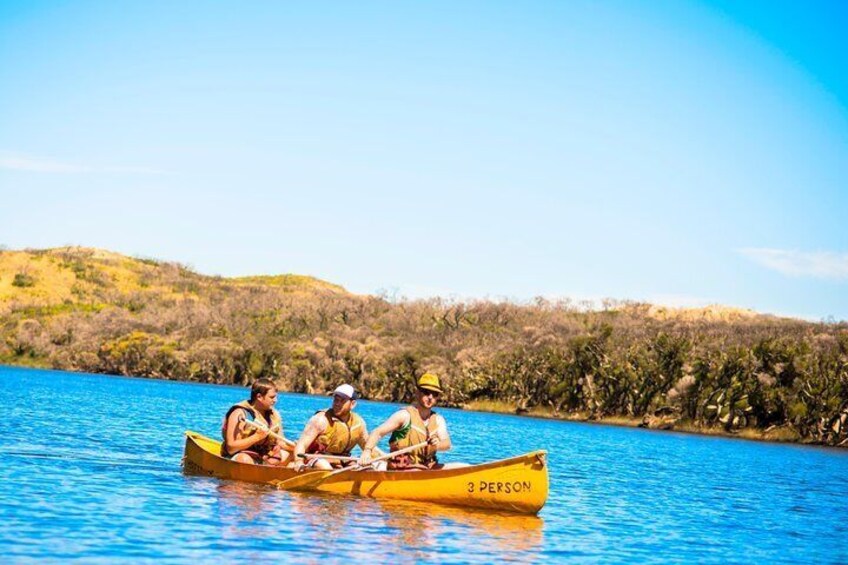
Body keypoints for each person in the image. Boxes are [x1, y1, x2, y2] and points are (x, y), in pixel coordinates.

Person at [360, 373, 464, 471]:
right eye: (426, 392)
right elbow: (378, 432)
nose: (430, 397)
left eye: (435, 394)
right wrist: (367, 451)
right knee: (417, 470)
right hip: (404, 468)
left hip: (428, 467)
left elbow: (447, 444)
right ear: (417, 393)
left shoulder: (438, 420)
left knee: (464, 467)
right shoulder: (404, 416)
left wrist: (437, 445)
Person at [292, 384, 371, 471]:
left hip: (342, 460)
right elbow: (301, 444)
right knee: (324, 466)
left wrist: (382, 459)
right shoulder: (321, 419)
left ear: (352, 404)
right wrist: (298, 462)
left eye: (342, 401)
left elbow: (368, 448)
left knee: (368, 468)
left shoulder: (359, 423)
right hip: (317, 458)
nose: (337, 404)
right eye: (336, 400)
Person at [221, 378, 292, 466]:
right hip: (240, 456)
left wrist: (294, 447)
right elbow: (231, 448)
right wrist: (257, 437)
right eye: (272, 397)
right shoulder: (239, 413)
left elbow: (280, 442)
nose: (275, 400)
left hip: (263, 457)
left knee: (292, 455)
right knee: (244, 459)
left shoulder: (275, 415)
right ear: (259, 397)